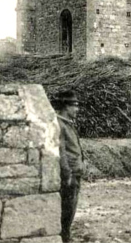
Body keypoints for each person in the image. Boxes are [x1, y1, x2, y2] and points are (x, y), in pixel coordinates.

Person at [53, 90, 85, 243]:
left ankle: (66, 236)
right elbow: (62, 152)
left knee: (71, 208)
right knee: (67, 210)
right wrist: (67, 175)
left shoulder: (67, 124)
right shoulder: (60, 125)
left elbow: (75, 148)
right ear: (66, 107)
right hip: (70, 175)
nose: (77, 110)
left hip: (76, 172)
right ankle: (64, 238)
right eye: (74, 106)